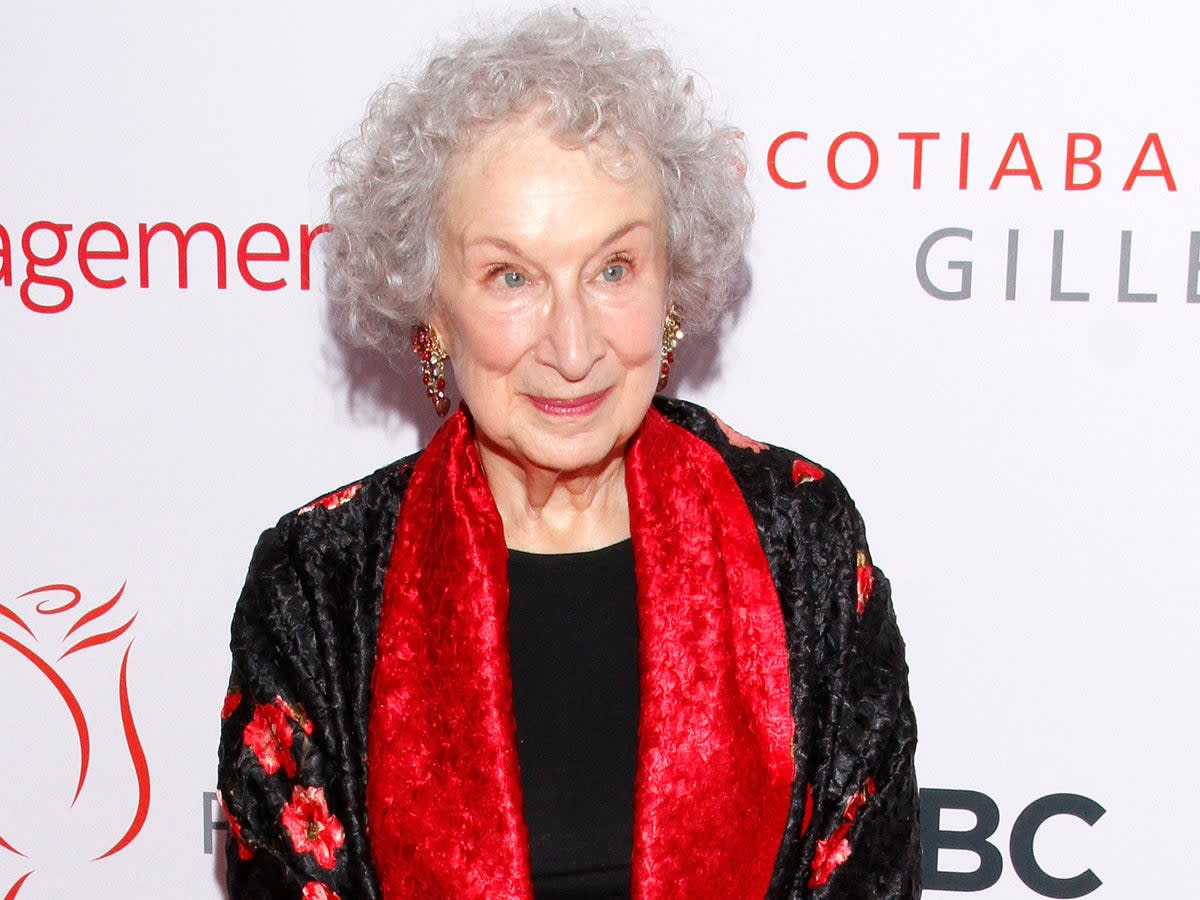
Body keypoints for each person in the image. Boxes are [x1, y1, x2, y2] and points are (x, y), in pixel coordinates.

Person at [216, 9, 920, 899]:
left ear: (671, 280)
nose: (575, 346)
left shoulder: (801, 537)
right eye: (512, 277)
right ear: (431, 307)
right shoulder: (320, 581)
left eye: (613, 268)